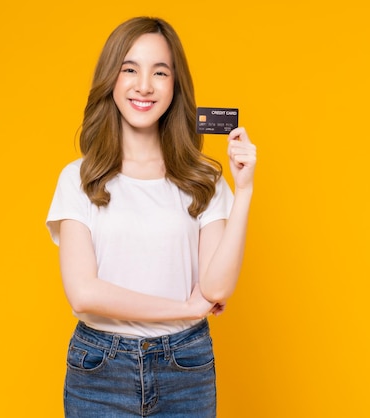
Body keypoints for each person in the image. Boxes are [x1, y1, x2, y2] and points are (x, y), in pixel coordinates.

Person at [46, 16, 257, 417]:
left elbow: (216, 287)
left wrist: (243, 190)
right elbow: (83, 293)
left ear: (175, 86)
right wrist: (184, 308)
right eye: (130, 69)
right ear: (111, 79)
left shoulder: (204, 179)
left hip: (186, 366)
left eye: (160, 72)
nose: (144, 85)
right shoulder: (79, 178)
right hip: (99, 370)